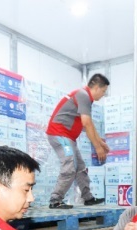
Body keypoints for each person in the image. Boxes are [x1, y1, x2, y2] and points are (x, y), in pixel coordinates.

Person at [46, 73, 111, 209]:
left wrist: (100, 142)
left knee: (80, 167)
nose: (103, 95)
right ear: (97, 88)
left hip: (68, 137)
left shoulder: (84, 97)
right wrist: (97, 147)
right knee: (70, 166)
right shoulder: (83, 95)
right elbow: (86, 123)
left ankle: (88, 198)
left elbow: (89, 124)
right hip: (60, 134)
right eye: (103, 91)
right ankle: (55, 200)